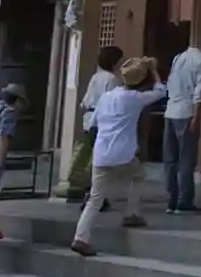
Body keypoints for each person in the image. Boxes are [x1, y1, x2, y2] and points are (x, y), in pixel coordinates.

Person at [71, 57, 166, 257]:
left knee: (95, 199)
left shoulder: (106, 97)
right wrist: (154, 70)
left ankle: (80, 238)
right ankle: (132, 213)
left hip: (101, 153)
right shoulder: (135, 98)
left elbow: (93, 123)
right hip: (123, 153)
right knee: (138, 176)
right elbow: (161, 92)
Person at [163, 34, 201, 214]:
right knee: (187, 159)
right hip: (187, 112)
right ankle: (184, 201)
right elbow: (199, 92)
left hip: (170, 111)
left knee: (170, 160)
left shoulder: (179, 57)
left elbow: (170, 83)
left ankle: (172, 199)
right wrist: (197, 116)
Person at [68, 46, 123, 209]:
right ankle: (94, 195)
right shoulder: (112, 80)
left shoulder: (96, 77)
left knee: (91, 159)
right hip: (103, 123)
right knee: (99, 161)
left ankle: (93, 194)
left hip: (89, 121)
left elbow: (85, 102)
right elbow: (113, 103)